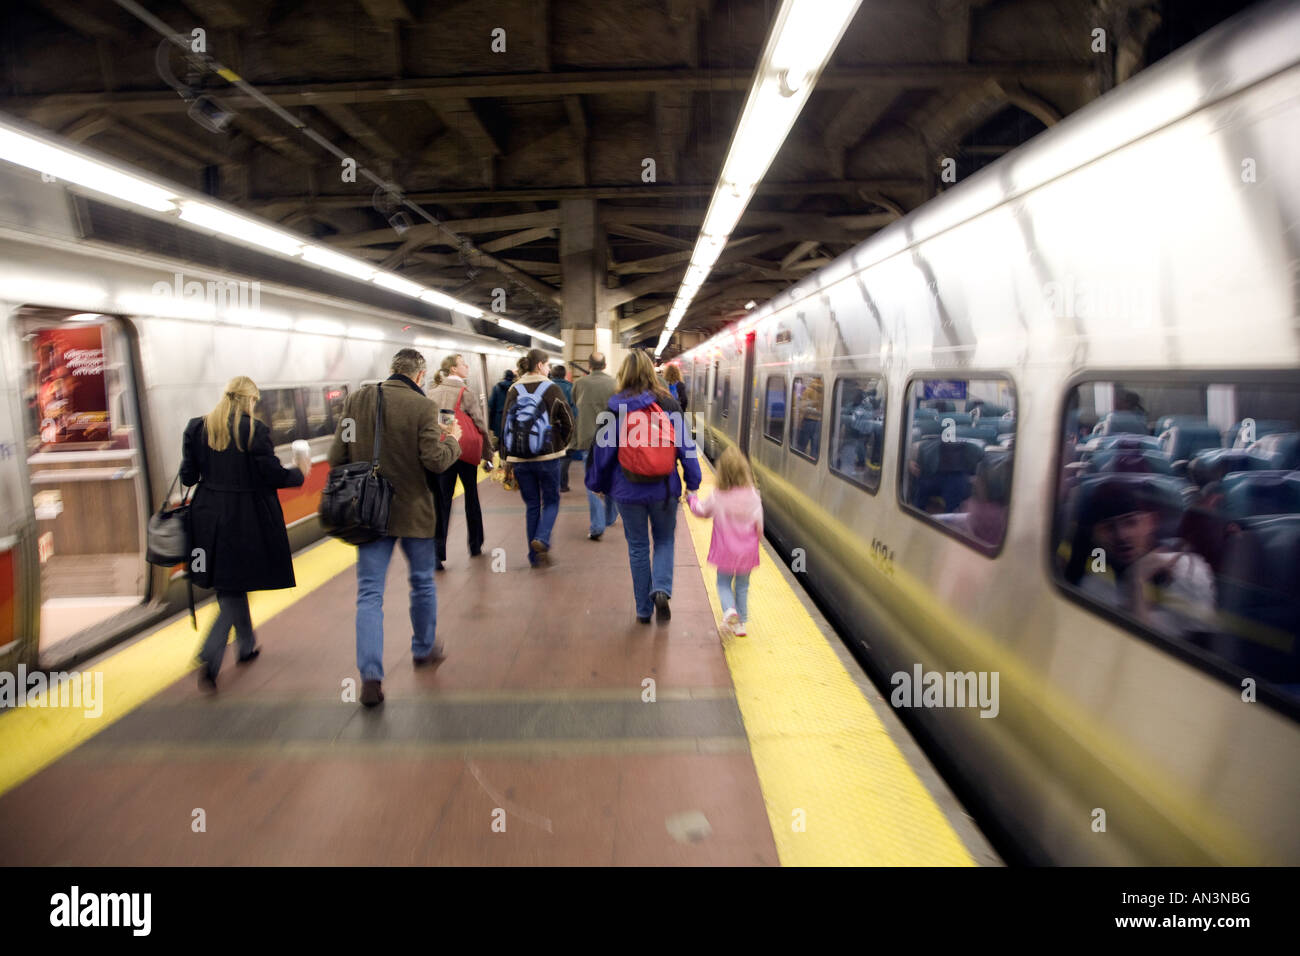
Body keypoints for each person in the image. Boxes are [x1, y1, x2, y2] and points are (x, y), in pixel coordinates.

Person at [327, 349, 462, 707]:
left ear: (393, 370)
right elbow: (434, 462)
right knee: (421, 583)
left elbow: (336, 458)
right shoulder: (422, 408)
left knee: (369, 594)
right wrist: (453, 440)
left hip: (369, 513)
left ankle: (370, 677)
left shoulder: (357, 400)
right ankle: (422, 649)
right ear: (420, 376)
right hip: (413, 512)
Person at [181, 376, 310, 691]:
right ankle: (210, 655)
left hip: (208, 517)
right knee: (234, 586)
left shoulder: (196, 427)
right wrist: (300, 472)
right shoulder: (255, 430)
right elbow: (273, 475)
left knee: (230, 584)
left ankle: (247, 645)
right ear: (250, 400)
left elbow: (188, 476)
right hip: (246, 519)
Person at [586, 350, 702, 623]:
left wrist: (597, 483)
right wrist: (693, 483)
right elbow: (687, 447)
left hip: (627, 491)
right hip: (664, 490)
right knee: (663, 540)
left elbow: (602, 451)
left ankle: (642, 610)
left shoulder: (614, 407)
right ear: (652, 373)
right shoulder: (669, 404)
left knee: (637, 547)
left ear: (622, 375)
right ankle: (661, 588)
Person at [1069, 481, 1216, 637]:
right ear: (1095, 535)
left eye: (1131, 522)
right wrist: (1136, 581)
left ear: (1151, 522)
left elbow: (1198, 649)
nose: (1121, 536)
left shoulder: (1186, 571)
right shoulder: (1097, 579)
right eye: (1108, 527)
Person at [500, 348, 574, 567]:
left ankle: (534, 558)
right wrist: (561, 443)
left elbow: (504, 424)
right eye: (548, 365)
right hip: (548, 457)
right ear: (540, 365)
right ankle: (541, 539)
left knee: (532, 505)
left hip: (520, 459)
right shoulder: (552, 388)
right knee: (551, 501)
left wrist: (506, 459)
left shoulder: (514, 389)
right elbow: (568, 421)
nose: (549, 369)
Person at [687, 447, 762, 637]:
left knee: (723, 583)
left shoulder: (718, 495)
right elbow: (759, 525)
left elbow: (702, 511)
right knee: (743, 586)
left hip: (726, 550)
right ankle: (741, 625)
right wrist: (754, 543)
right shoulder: (753, 494)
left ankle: (729, 610)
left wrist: (691, 499)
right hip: (747, 551)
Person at [428, 353, 493, 570]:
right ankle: (475, 544)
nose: (467, 366)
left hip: (443, 451)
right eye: (463, 364)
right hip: (464, 453)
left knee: (442, 501)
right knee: (471, 497)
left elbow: (438, 422)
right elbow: (479, 423)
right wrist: (489, 453)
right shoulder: (465, 392)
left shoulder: (433, 392)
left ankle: (437, 552)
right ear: (454, 369)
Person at [572, 351, 620, 540]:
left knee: (592, 482)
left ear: (589, 365)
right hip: (610, 438)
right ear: (605, 365)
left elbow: (576, 403)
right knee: (612, 478)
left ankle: (597, 526)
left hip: (588, 440)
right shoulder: (615, 384)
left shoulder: (579, 384)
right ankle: (610, 516)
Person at [549, 363, 578, 492]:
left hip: (549, 427)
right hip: (566, 426)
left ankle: (552, 483)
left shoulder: (545, 387)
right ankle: (563, 484)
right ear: (564, 375)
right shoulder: (570, 387)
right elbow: (575, 410)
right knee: (566, 456)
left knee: (551, 455)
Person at [486, 368, 516, 457]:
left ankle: (501, 460)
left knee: (501, 440)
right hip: (512, 417)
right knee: (512, 438)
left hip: (499, 418)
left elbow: (491, 404)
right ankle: (511, 458)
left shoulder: (497, 387)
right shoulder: (515, 387)